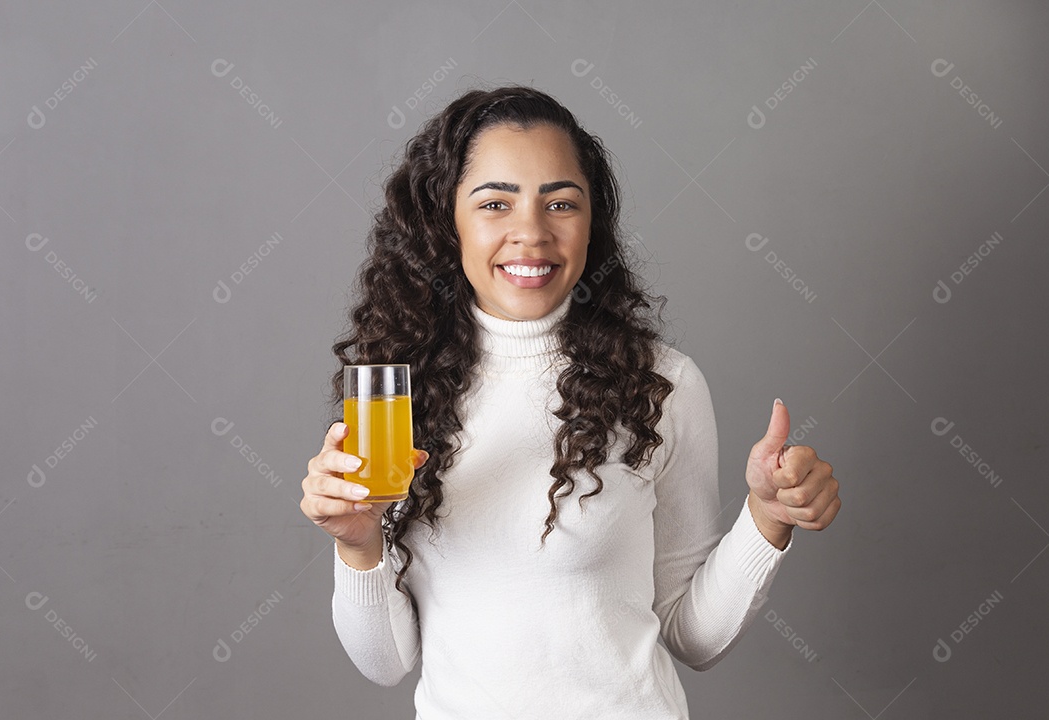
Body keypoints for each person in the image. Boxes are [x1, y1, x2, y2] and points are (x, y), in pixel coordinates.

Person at [300, 84, 841, 719]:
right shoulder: (398, 397)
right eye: (495, 203)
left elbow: (693, 637)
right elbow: (386, 662)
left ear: (591, 226)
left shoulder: (660, 385)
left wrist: (767, 517)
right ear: (448, 223)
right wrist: (358, 544)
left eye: (560, 203)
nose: (531, 233)